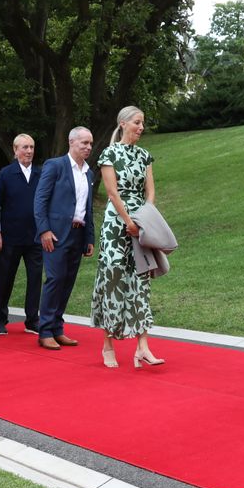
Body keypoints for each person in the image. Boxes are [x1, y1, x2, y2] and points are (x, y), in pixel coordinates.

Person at [91, 107, 167, 368]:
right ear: (123, 124)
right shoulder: (109, 154)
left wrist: (144, 221)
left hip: (140, 224)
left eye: (142, 123)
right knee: (113, 279)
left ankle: (142, 347)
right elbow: (112, 193)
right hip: (116, 224)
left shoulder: (145, 156)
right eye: (137, 122)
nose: (141, 127)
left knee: (141, 279)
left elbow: (150, 192)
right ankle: (108, 345)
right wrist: (128, 222)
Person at [34, 127, 96, 350]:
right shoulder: (55, 165)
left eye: (90, 143)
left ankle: (57, 329)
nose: (88, 147)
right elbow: (40, 200)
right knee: (55, 279)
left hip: (78, 234)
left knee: (67, 281)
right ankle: (45, 331)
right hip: (56, 234)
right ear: (71, 142)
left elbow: (88, 208)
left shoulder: (89, 173)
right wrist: (44, 230)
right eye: (84, 143)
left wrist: (90, 237)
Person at [0, 133, 43, 336]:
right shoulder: (6, 174)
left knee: (35, 279)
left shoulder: (40, 174)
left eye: (31, 147)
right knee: (5, 278)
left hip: (35, 237)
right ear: (15, 149)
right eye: (25, 147)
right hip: (10, 237)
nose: (29, 151)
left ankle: (32, 320)